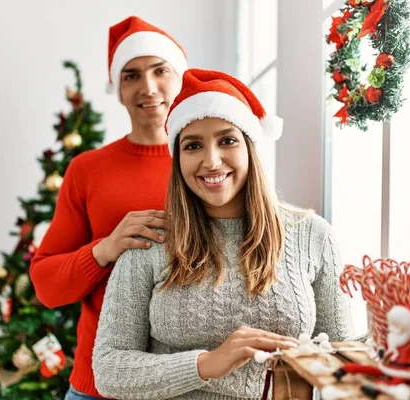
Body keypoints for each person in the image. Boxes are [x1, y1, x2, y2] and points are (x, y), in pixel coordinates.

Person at [92, 68, 353, 399]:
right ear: (179, 159)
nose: (211, 161)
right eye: (193, 146)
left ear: (249, 148)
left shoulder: (312, 235)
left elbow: (342, 354)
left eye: (227, 140)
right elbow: (109, 370)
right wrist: (206, 364)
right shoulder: (151, 241)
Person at [30, 16, 188, 400]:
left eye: (160, 71)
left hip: (189, 382)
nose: (148, 88)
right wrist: (104, 248)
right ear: (117, 88)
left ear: (181, 76)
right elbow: (47, 286)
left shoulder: (211, 165)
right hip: (99, 387)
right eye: (131, 75)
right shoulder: (87, 170)